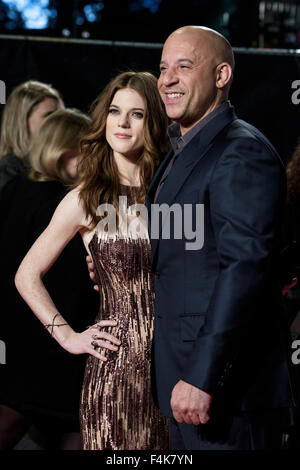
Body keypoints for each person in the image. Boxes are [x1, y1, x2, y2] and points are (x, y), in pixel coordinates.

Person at [145, 26, 294, 450]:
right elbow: (185, 253)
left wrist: (201, 376)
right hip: (182, 381)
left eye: (184, 67)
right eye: (163, 68)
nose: (167, 79)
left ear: (222, 75)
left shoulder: (239, 150)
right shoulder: (183, 149)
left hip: (223, 392)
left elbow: (244, 269)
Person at [15, 71, 170, 450]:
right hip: (114, 369)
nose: (122, 122)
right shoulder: (84, 198)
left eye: (137, 114)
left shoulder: (171, 193)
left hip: (172, 365)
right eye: (115, 111)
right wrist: (68, 336)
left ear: (152, 123)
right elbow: (26, 275)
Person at [0, 108, 98, 450]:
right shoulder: (66, 204)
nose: (94, 157)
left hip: (20, 339)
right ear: (64, 149)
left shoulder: (15, 188)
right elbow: (75, 285)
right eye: (87, 148)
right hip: (51, 346)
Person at [0, 80, 63, 192]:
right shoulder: (8, 172)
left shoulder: (61, 164)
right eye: (49, 116)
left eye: (63, 115)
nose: (61, 122)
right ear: (21, 121)